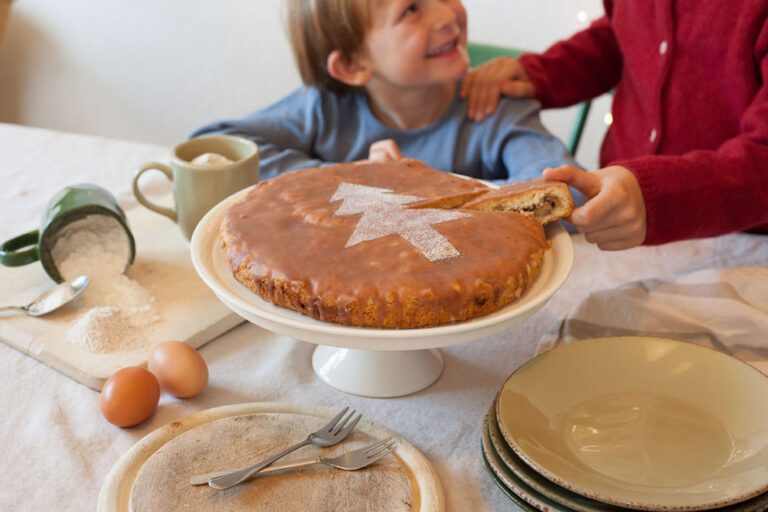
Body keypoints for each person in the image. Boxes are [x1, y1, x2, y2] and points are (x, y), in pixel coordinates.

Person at [461, 1, 768, 250]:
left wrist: (657, 196)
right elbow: (619, 35)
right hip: (617, 217)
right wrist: (543, 72)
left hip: (743, 241)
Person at [191, 0, 577, 186]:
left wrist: (426, 193)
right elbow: (212, 151)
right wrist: (352, 179)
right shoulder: (326, 108)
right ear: (353, 67)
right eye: (411, 9)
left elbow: (568, 189)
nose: (446, 16)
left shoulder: (492, 105)